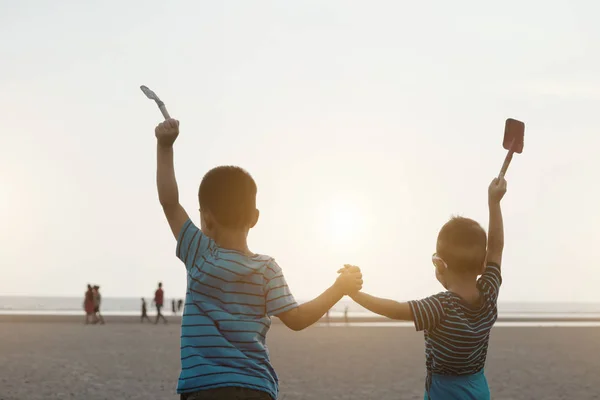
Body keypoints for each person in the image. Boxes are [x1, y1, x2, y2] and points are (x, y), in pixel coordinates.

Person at [154, 118, 362, 400]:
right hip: (256, 387)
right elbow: (297, 319)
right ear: (255, 218)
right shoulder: (267, 269)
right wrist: (339, 288)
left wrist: (164, 147)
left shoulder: (199, 253)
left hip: (206, 388)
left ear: (206, 218)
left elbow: (169, 201)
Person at [341, 177, 507, 400]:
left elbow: (394, 309)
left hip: (444, 392)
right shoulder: (489, 293)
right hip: (478, 389)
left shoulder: (441, 307)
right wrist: (494, 203)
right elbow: (496, 248)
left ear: (439, 265)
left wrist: (353, 293)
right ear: (482, 265)